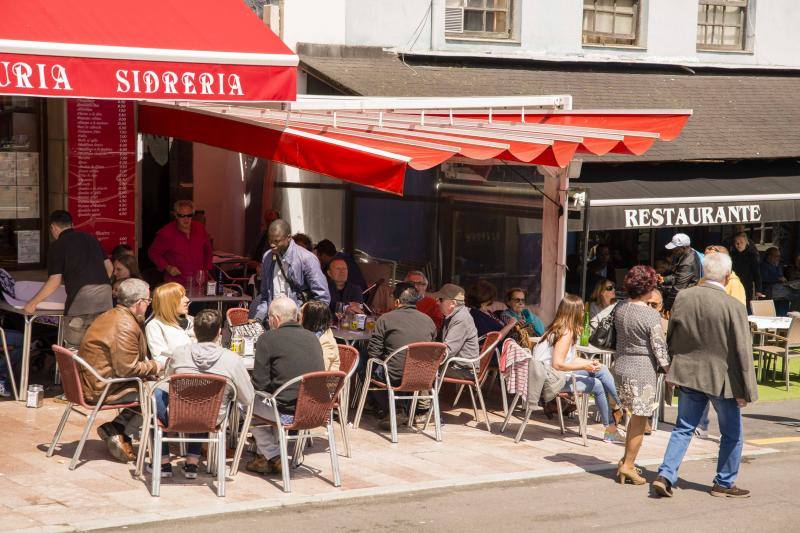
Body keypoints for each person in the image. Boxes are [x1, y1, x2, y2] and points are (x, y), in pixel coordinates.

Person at [652, 253, 758, 499]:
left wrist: (672, 365)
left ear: (703, 273)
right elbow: (743, 350)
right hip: (722, 379)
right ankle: (723, 482)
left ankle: (665, 475)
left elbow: (673, 335)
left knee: (683, 428)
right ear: (727, 276)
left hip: (689, 373)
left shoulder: (684, 297)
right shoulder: (734, 306)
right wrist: (747, 391)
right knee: (732, 433)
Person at [153, 309, 254, 478]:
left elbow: (168, 381)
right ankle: (192, 462)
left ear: (194, 332)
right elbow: (248, 398)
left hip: (179, 414)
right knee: (205, 401)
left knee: (156, 394)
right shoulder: (232, 359)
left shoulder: (179, 353)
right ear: (219, 333)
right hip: (213, 417)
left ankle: (163, 463)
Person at [79, 278, 160, 463]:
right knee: (158, 395)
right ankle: (124, 433)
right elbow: (128, 369)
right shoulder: (125, 325)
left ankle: (116, 427)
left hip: (96, 381)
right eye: (148, 301)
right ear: (139, 303)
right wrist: (157, 366)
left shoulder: (112, 315)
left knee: (151, 387)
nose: (148, 305)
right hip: (103, 387)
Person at [247, 297, 324, 475]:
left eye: (268, 319)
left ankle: (274, 456)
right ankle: (263, 458)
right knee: (273, 400)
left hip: (286, 413)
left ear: (275, 319)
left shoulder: (267, 338)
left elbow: (260, 384)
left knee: (245, 401)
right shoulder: (312, 338)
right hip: (315, 409)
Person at [533, 294, 623, 443]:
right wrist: (584, 365)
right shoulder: (565, 333)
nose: (583, 313)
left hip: (553, 374)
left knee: (601, 369)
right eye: (581, 310)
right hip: (549, 379)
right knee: (598, 385)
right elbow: (558, 364)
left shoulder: (564, 329)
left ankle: (622, 404)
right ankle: (613, 427)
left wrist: (590, 363)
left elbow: (572, 359)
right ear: (573, 312)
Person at [613, 266, 671, 484]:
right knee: (639, 420)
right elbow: (660, 349)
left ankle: (626, 460)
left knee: (631, 417)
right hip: (642, 369)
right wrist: (670, 372)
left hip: (621, 365)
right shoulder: (650, 315)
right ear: (648, 288)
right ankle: (628, 465)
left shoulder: (620, 308)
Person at [24, 210, 113, 348]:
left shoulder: (57, 246)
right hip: (106, 301)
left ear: (53, 227)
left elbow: (54, 281)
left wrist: (32, 303)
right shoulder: (91, 239)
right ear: (72, 224)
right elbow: (109, 267)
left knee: (75, 350)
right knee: (101, 349)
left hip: (81, 304)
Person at [366, 282, 437, 425]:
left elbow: (373, 352)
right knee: (396, 365)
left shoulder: (385, 318)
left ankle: (395, 409)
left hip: (394, 375)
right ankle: (403, 409)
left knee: (366, 365)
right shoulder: (429, 321)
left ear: (397, 301)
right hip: (423, 375)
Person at [253, 219, 329, 324]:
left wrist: (311, 328)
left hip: (299, 324)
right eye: (270, 240)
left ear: (288, 238)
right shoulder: (267, 257)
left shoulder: (307, 259)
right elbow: (265, 296)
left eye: (276, 241)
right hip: (273, 323)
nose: (272, 245)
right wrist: (258, 319)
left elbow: (322, 299)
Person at [147, 200, 213, 287]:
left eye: (189, 215)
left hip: (199, 282)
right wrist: (168, 267)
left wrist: (206, 268)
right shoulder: (166, 233)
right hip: (176, 283)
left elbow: (208, 251)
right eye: (182, 216)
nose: (186, 219)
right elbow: (153, 253)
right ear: (176, 215)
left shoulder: (200, 228)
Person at [433, 284, 479, 377]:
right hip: (456, 366)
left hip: (463, 371)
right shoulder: (455, 315)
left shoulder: (461, 319)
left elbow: (447, 351)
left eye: (440, 299)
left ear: (453, 303)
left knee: (421, 370)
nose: (437, 302)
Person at [145, 282, 196, 365]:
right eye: (181, 297)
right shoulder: (155, 326)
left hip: (196, 372)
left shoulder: (191, 321)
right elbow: (160, 359)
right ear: (168, 302)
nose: (187, 300)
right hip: (175, 375)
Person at [661, 233, 702, 310]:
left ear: (683, 247)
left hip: (687, 301)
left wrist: (666, 307)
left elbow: (678, 288)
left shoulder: (688, 262)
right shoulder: (688, 254)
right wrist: (664, 279)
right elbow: (679, 275)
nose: (673, 250)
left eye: (675, 248)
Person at [300, 300, 339, 371]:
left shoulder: (325, 341)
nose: (299, 317)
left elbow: (321, 371)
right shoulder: (311, 335)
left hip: (325, 380)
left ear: (310, 319)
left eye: (302, 314)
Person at [730, 232, 763, 307]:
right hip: (733, 285)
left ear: (746, 242)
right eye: (736, 243)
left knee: (745, 306)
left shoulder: (751, 256)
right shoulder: (731, 255)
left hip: (747, 285)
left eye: (741, 242)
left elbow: (757, 274)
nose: (739, 245)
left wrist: (758, 290)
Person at [760, 246, 792, 315]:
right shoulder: (763, 266)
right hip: (768, 290)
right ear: (769, 256)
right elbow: (763, 278)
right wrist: (777, 279)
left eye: (779, 256)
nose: (778, 258)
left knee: (786, 297)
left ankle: (783, 318)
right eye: (776, 256)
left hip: (780, 291)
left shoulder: (777, 266)